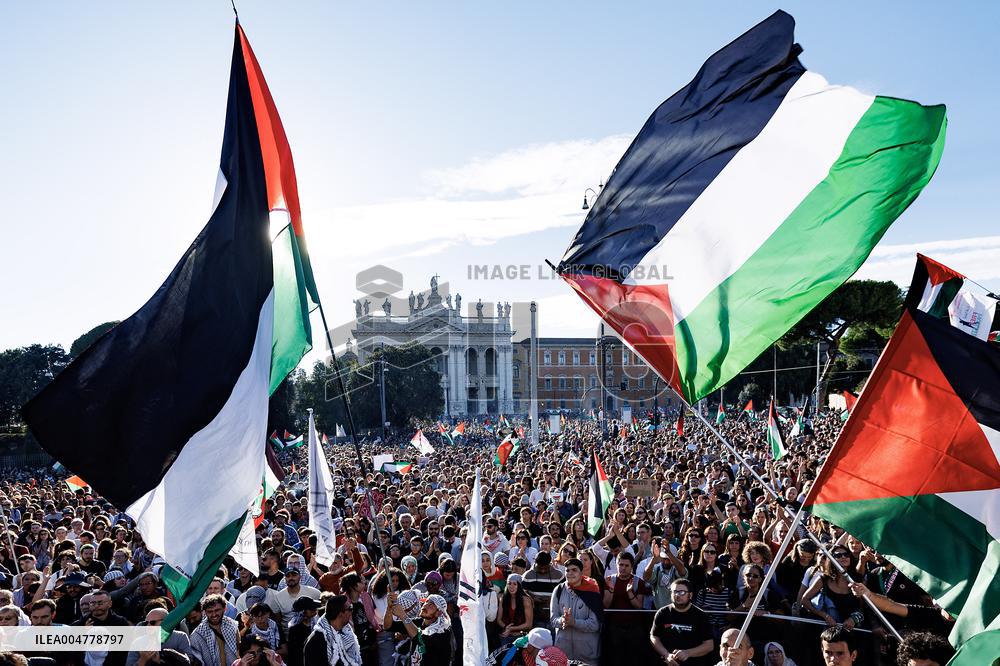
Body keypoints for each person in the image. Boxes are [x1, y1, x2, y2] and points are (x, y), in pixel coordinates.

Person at [649, 579, 714, 666]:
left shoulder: (701, 615)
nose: (677, 595)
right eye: (674, 592)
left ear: (690, 595)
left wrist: (688, 653)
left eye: (682, 592)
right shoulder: (662, 613)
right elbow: (654, 636)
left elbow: (709, 645)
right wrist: (666, 654)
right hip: (668, 661)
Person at [549, 558, 601, 665]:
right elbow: (553, 620)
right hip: (563, 654)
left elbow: (595, 624)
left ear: (581, 572)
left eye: (574, 570)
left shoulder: (592, 592)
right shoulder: (558, 590)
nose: (570, 573)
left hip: (587, 656)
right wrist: (562, 620)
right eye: (567, 570)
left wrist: (574, 622)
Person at [304, 594, 362, 666]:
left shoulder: (346, 632)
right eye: (350, 608)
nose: (352, 612)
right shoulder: (317, 640)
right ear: (341, 613)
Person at [191, 594, 241, 666]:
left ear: (224, 609)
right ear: (205, 612)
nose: (214, 614)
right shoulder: (198, 635)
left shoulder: (232, 626)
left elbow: (238, 650)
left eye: (217, 610)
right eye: (210, 611)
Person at [486, 627, 553, 666]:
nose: (545, 654)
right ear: (530, 648)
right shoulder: (508, 652)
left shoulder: (548, 661)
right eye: (542, 651)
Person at [284, 597, 319, 666]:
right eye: (311, 608)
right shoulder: (295, 630)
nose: (314, 610)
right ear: (303, 612)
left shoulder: (317, 625)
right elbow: (294, 654)